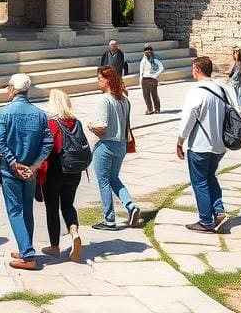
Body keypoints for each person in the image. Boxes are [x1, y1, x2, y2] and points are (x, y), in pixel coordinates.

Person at [0, 73, 53, 270]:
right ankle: (25, 245)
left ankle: (27, 254)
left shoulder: (4, 113)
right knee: (27, 210)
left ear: (13, 88)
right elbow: (48, 142)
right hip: (30, 171)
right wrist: (34, 166)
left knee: (15, 211)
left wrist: (13, 163)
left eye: (8, 87)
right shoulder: (40, 114)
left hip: (12, 171)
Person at [176, 57, 229, 233]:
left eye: (193, 68)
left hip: (200, 144)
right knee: (210, 177)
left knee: (199, 182)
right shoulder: (221, 89)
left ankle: (206, 220)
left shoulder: (196, 91)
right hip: (219, 144)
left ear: (197, 69)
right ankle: (219, 209)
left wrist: (180, 140)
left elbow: (189, 117)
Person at [87, 66, 142, 231]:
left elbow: (102, 126)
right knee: (114, 178)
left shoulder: (105, 100)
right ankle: (130, 206)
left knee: (103, 180)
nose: (98, 82)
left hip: (106, 144)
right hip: (121, 144)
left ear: (108, 80)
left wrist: (90, 126)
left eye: (100, 78)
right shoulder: (124, 99)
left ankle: (109, 219)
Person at [36, 89, 84, 262]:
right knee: (68, 204)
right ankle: (74, 232)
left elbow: (47, 148)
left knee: (52, 208)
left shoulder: (51, 123)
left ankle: (54, 246)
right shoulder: (76, 122)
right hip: (74, 170)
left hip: (54, 170)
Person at [139, 44, 164, 114]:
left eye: (149, 50)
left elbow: (161, 68)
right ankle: (149, 109)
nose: (148, 52)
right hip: (145, 78)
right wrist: (140, 81)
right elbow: (141, 71)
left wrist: (154, 76)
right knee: (146, 95)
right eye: (146, 50)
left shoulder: (155, 60)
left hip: (152, 79)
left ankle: (157, 109)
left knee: (154, 94)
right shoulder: (143, 60)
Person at [227, 48, 241, 113]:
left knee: (239, 96)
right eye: (234, 53)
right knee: (237, 96)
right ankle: (240, 110)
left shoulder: (240, 63)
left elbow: (237, 73)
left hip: (238, 82)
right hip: (235, 82)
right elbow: (233, 71)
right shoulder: (236, 63)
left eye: (236, 54)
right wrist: (229, 77)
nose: (235, 55)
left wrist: (231, 79)